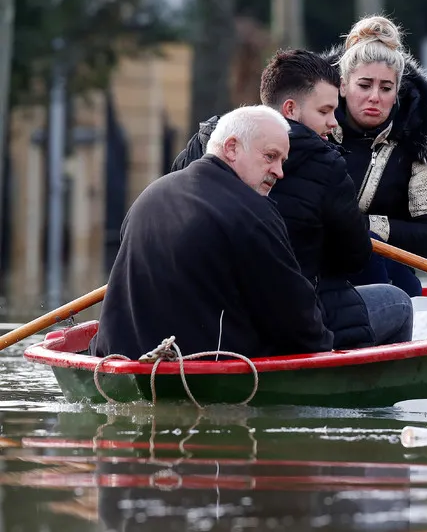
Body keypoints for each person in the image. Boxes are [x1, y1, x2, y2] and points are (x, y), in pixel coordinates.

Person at [171, 49, 413, 348]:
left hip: (201, 315)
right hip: (286, 318)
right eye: (324, 111)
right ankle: (368, 392)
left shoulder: (207, 142)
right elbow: (355, 257)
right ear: (290, 109)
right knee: (399, 302)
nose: (334, 123)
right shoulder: (325, 163)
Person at [90, 106, 336, 360]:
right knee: (380, 300)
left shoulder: (149, 195)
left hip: (120, 357)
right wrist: (327, 343)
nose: (279, 172)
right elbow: (298, 321)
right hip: (202, 364)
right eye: (270, 156)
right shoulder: (253, 213)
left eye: (282, 161)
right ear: (231, 148)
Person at [322, 15, 427, 297]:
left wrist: (369, 228)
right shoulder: (314, 130)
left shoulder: (418, 143)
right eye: (364, 85)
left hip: (389, 280)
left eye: (385, 88)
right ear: (343, 86)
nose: (374, 98)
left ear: (397, 92)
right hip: (316, 275)